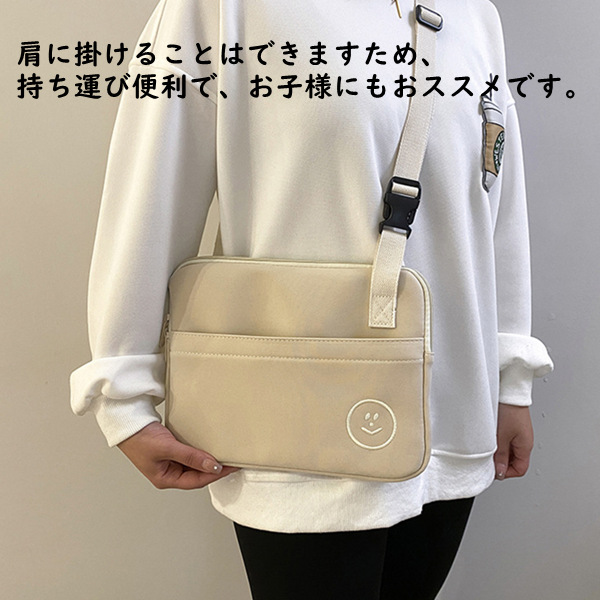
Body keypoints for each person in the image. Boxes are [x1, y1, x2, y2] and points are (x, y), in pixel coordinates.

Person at [69, 1, 555, 598]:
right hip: (300, 417)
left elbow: (496, 204)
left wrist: (509, 375)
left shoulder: (473, 13)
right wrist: (122, 391)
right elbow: (153, 183)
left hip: (452, 416)